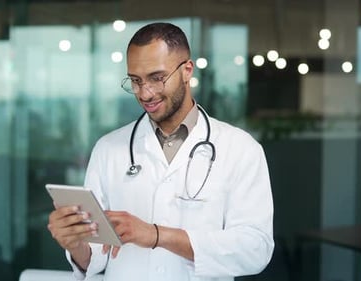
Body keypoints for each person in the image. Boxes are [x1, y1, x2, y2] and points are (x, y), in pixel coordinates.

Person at [48, 22, 274, 281]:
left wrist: (156, 235)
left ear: (187, 70)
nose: (145, 93)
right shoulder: (109, 149)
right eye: (135, 81)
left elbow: (255, 250)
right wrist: (74, 243)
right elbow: (97, 256)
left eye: (157, 78)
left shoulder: (241, 149)